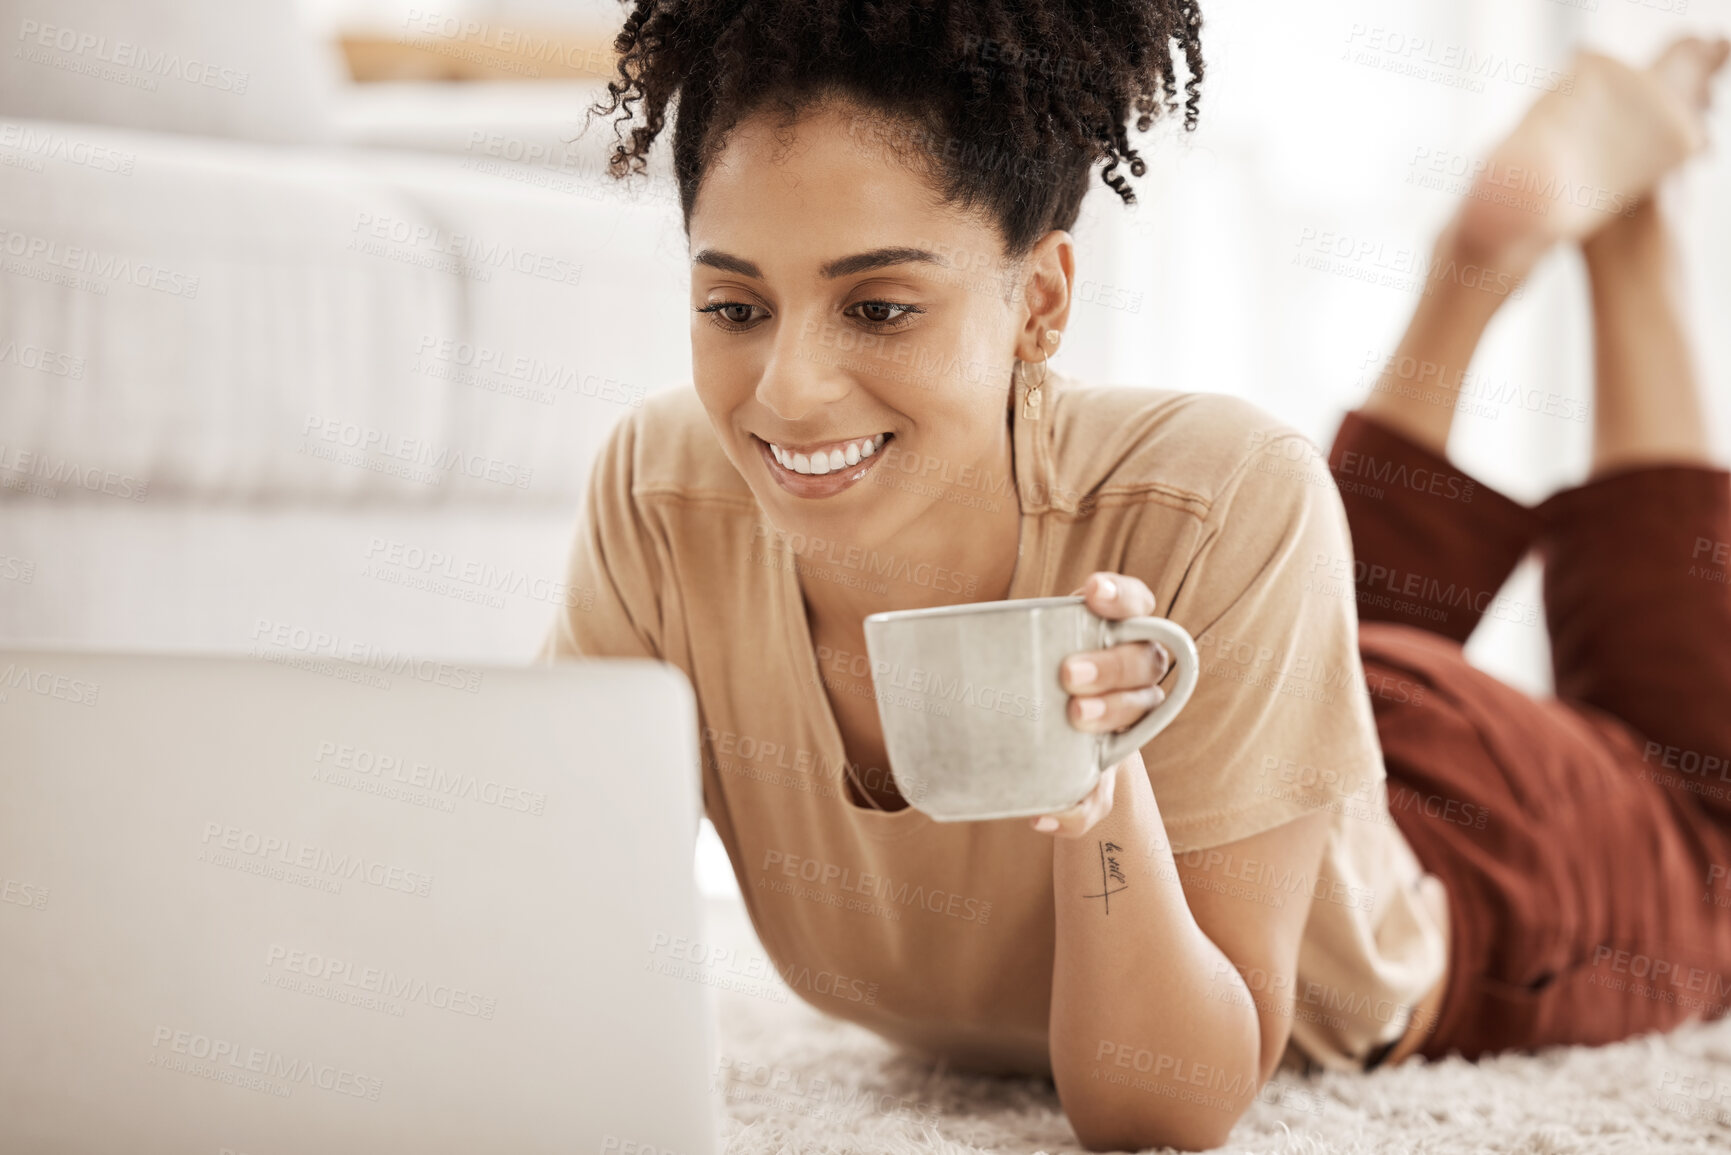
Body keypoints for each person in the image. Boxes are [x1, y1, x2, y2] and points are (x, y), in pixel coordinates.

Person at [538, 1, 1731, 1148]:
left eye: (882, 307)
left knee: (1706, 814)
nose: (788, 390)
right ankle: (1485, 254)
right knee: (1319, 600)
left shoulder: (1226, 492)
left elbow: (1162, 1114)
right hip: (1264, 699)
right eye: (732, 304)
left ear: (1042, 301)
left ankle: (1612, 233)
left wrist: (1104, 791)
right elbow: (542, 895)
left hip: (1458, 835)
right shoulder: (662, 497)